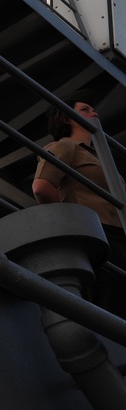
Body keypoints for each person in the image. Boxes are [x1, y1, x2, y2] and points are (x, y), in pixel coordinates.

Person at [32, 92, 126, 317]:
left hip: (119, 232)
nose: (94, 113)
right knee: (113, 298)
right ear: (67, 118)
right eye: (85, 110)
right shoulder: (65, 147)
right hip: (98, 230)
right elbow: (42, 187)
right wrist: (75, 222)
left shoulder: (101, 157)